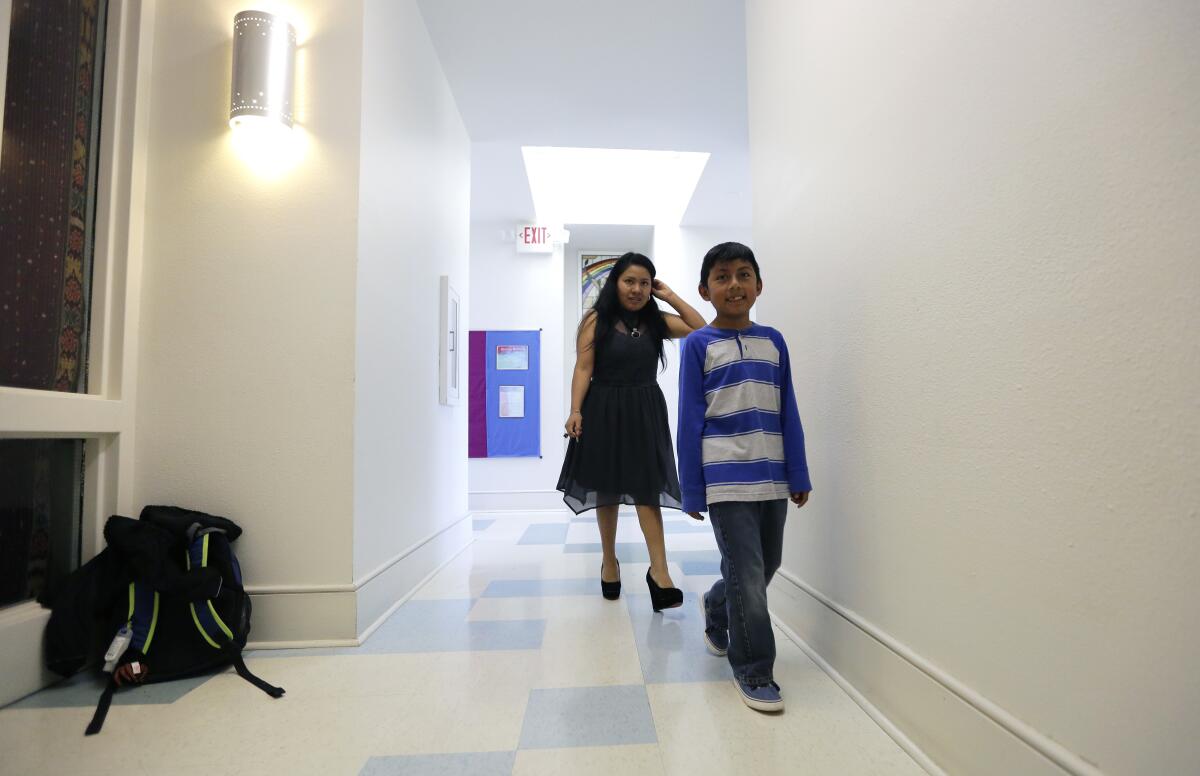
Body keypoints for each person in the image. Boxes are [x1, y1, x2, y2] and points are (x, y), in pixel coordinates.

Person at [677, 241, 812, 712]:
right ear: (705, 289)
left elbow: (787, 410)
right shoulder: (698, 345)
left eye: (743, 274)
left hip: (772, 476)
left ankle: (717, 606)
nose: (734, 284)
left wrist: (798, 471)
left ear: (758, 284)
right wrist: (691, 485)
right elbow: (690, 418)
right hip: (725, 479)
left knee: (763, 565)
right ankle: (754, 668)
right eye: (722, 276)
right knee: (748, 575)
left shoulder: (773, 341)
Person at [557, 252, 707, 611]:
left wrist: (669, 296)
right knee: (605, 490)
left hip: (644, 409)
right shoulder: (596, 320)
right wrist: (575, 410)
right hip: (602, 408)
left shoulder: (657, 322)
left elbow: (701, 329)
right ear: (615, 283)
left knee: (646, 489)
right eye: (630, 281)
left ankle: (660, 572)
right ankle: (610, 561)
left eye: (644, 282)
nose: (637, 289)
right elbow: (583, 368)